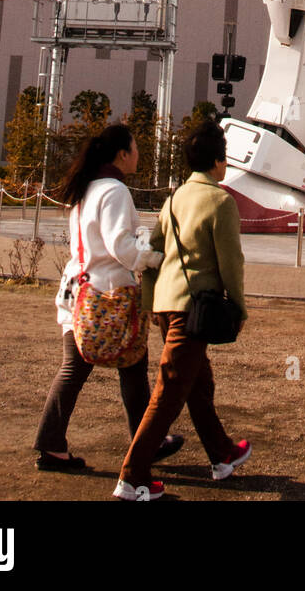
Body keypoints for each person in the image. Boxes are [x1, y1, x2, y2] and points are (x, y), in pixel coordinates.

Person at [34, 124, 182, 474]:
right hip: (108, 295)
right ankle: (147, 441)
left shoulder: (87, 190)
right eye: (135, 147)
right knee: (132, 366)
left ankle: (51, 444)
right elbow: (121, 246)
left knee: (75, 368)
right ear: (121, 153)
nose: (138, 154)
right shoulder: (115, 191)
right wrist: (153, 258)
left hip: (77, 290)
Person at [115, 118, 249, 501]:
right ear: (219, 162)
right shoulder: (222, 202)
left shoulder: (173, 199)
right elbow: (230, 262)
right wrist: (238, 306)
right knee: (169, 392)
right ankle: (132, 475)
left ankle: (222, 454)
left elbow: (154, 252)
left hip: (167, 305)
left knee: (197, 385)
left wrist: (149, 304)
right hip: (194, 311)